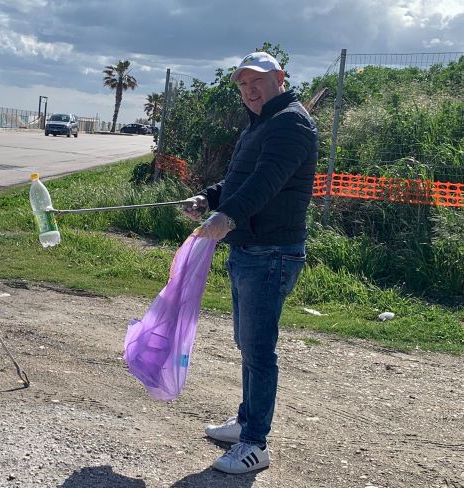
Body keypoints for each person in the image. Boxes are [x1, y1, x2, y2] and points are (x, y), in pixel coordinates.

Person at [182, 52, 318, 474]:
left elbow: (266, 182)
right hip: (250, 250)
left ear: (280, 77)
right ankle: (245, 421)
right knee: (247, 343)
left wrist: (227, 217)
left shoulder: (290, 122)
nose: (249, 90)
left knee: (259, 350)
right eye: (242, 84)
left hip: (272, 253)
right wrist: (211, 197)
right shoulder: (262, 123)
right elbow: (241, 179)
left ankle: (256, 443)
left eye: (256, 81)